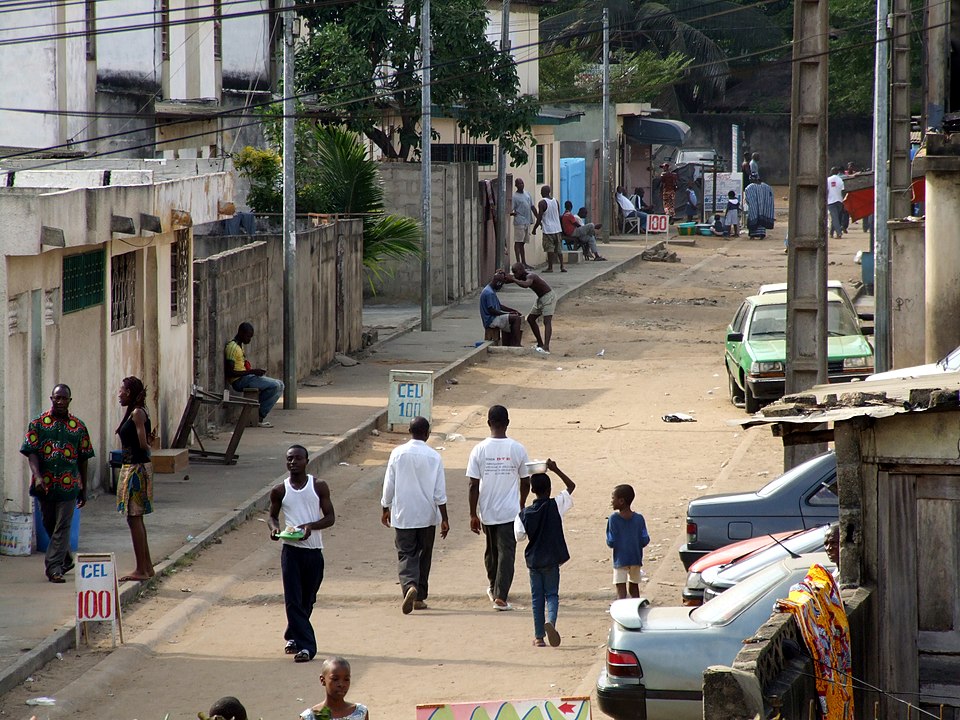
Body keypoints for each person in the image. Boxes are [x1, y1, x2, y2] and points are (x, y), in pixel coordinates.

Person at [269, 445, 336, 663]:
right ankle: (307, 647)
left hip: (314, 552)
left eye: (298, 458)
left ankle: (292, 635)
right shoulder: (280, 490)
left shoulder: (318, 486)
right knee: (293, 600)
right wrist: (274, 529)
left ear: (306, 461)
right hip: (291, 551)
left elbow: (330, 517)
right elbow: (272, 516)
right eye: (289, 459)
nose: (293, 462)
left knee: (308, 599)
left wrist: (310, 526)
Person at [20, 384, 94, 584]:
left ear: (70, 401)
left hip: (69, 486)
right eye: (57, 398)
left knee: (62, 526)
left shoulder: (78, 427)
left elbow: (84, 459)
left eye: (64, 398)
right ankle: (67, 558)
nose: (60, 402)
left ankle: (54, 568)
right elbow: (31, 451)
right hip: (45, 485)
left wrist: (83, 488)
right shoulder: (38, 424)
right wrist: (37, 475)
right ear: (51, 399)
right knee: (49, 524)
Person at [381, 416, 449, 614]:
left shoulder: (397, 453)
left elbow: (389, 484)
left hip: (403, 514)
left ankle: (409, 585)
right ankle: (419, 597)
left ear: (409, 431)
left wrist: (385, 507)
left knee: (406, 553)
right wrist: (444, 518)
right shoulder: (434, 456)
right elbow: (439, 492)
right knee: (424, 554)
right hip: (427, 515)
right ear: (427, 434)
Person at [467, 405, 531, 611]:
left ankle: (495, 588)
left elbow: (473, 485)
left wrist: (472, 513)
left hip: (487, 510)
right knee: (506, 553)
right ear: (508, 423)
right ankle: (500, 594)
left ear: (488, 423)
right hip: (509, 511)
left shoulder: (479, 449)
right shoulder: (517, 449)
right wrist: (521, 502)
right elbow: (525, 480)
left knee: (492, 552)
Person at [514, 459, 575, 647]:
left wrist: (523, 508)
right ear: (549, 489)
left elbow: (519, 537)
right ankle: (552, 622)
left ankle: (539, 637)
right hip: (552, 559)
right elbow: (571, 486)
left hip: (534, 561)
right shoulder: (556, 505)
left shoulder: (524, 514)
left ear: (532, 490)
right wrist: (555, 469)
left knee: (536, 598)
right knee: (552, 595)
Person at [115, 376, 156, 582]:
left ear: (129, 392)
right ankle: (146, 567)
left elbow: (142, 443)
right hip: (134, 467)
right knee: (135, 518)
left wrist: (149, 445)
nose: (119, 394)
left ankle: (141, 569)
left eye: (121, 390)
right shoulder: (136, 412)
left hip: (136, 469)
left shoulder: (137, 413)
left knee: (134, 517)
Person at [224, 322, 284, 428]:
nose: (249, 340)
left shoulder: (240, 346)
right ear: (241, 333)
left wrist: (252, 371)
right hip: (239, 380)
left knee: (280, 384)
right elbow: (230, 372)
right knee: (275, 385)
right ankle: (257, 415)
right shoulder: (232, 347)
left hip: (246, 377)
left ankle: (256, 413)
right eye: (248, 336)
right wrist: (252, 372)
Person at [606, 484, 650, 599]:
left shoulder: (613, 519)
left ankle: (622, 611)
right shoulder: (639, 519)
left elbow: (611, 541)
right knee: (634, 587)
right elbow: (645, 539)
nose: (611, 501)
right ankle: (636, 610)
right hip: (636, 558)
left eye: (613, 498)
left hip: (620, 559)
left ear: (621, 501)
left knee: (621, 588)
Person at [300, 656, 369, 720]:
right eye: (335, 679)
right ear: (323, 680)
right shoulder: (310, 717)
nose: (341, 684)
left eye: (346, 679)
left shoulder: (360, 713)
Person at [510, 262, 557, 354]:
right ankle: (540, 344)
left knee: (547, 321)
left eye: (515, 272)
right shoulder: (521, 276)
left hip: (548, 297)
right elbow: (510, 279)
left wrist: (513, 279)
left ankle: (546, 347)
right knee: (531, 319)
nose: (514, 274)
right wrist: (503, 275)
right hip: (540, 299)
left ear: (520, 270)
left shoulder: (531, 276)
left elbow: (526, 284)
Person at [479, 271, 523, 346]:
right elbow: (492, 310)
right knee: (516, 319)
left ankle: (508, 343)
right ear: (498, 283)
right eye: (501, 284)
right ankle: (517, 344)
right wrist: (507, 314)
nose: (501, 286)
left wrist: (512, 311)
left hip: (493, 317)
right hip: (490, 320)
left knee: (511, 318)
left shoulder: (490, 290)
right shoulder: (489, 293)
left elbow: (500, 306)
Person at [530, 185, 565, 273]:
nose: (540, 193)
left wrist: (534, 229)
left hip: (548, 229)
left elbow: (539, 218)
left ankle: (550, 267)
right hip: (557, 228)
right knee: (559, 249)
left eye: (541, 191)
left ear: (544, 192)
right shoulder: (555, 201)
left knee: (550, 248)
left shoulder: (542, 203)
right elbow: (558, 215)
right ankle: (562, 266)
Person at [510, 178, 536, 269]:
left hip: (527, 221)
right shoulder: (514, 196)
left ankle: (524, 262)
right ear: (516, 185)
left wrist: (538, 219)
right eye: (519, 183)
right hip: (519, 222)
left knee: (523, 243)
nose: (521, 185)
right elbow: (510, 209)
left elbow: (532, 206)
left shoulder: (527, 194)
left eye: (522, 183)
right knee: (518, 241)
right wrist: (514, 213)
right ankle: (518, 263)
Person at [744, 174, 775, 239]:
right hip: (764, 210)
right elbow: (770, 198)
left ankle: (753, 235)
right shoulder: (767, 187)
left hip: (753, 209)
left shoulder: (750, 187)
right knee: (762, 221)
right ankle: (761, 234)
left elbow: (747, 199)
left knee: (753, 218)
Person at [827, 166, 846, 238]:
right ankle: (831, 233)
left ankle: (839, 233)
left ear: (831, 172)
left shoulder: (828, 180)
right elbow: (843, 191)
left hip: (831, 201)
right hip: (839, 201)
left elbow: (826, 191)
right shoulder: (840, 180)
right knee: (836, 217)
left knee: (834, 218)